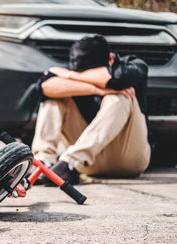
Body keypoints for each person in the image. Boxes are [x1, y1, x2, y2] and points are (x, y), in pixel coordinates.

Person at [32, 34, 151, 184]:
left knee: (121, 96)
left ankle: (70, 163)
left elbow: (119, 78)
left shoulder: (133, 65)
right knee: (55, 96)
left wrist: (70, 75)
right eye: (79, 74)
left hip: (128, 159)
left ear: (110, 59)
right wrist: (97, 89)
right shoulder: (74, 70)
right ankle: (43, 163)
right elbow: (44, 88)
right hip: (87, 163)